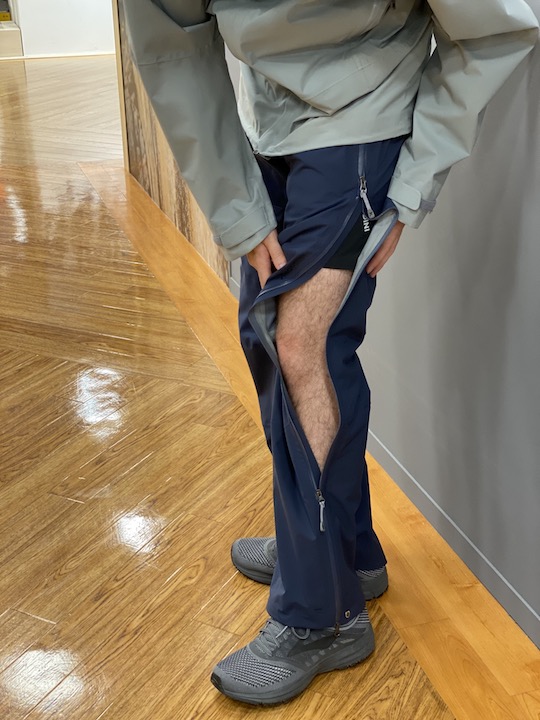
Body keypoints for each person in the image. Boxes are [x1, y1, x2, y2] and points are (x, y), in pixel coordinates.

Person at [123, 0, 538, 706]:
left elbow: (497, 25)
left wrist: (414, 181)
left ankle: (322, 615)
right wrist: (233, 205)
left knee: (298, 349)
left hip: (361, 125)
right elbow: (172, 42)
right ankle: (347, 552)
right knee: (275, 340)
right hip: (264, 120)